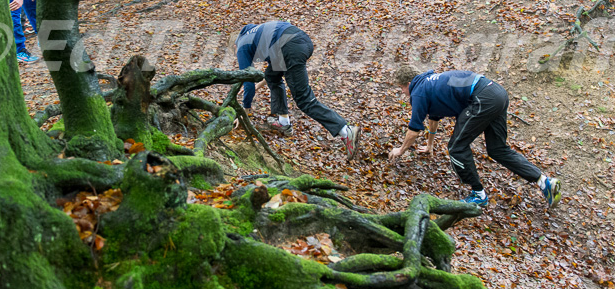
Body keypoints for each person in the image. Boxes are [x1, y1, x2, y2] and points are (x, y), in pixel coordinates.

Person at [389, 65, 562, 208]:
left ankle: (478, 195)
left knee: (456, 147)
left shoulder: (418, 92)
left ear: (408, 84)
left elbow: (414, 130)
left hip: (482, 98)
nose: (403, 92)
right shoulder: (430, 83)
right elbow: (433, 117)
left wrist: (401, 150)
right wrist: (429, 145)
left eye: (401, 88)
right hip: (497, 92)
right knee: (497, 149)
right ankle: (544, 182)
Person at [233, 21, 361, 160]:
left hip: (288, 47)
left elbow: (247, 82)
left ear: (234, 46)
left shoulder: (241, 46)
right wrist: (258, 85)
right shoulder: (254, 33)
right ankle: (283, 122)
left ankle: (345, 131)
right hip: (300, 40)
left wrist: (243, 113)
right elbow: (273, 71)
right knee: (272, 76)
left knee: (303, 99)